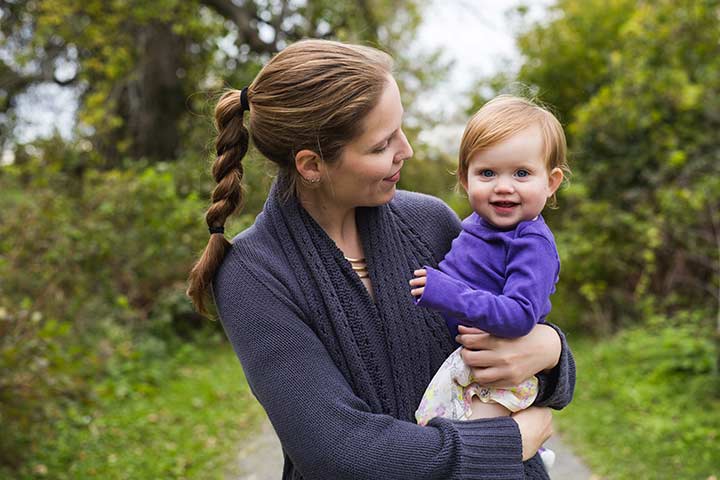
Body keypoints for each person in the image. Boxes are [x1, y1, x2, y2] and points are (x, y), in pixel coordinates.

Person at [187, 39, 575, 479]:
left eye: (401, 129)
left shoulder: (429, 221)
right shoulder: (253, 274)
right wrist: (508, 443)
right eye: (381, 144)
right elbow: (339, 451)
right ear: (312, 165)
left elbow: (502, 333)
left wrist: (553, 350)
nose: (406, 150)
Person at [409, 96, 569, 467]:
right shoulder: (473, 225)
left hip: (498, 377)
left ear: (552, 182)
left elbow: (520, 315)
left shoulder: (531, 243)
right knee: (432, 431)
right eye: (487, 173)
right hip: (468, 364)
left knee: (477, 453)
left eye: (522, 174)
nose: (503, 187)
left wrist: (449, 295)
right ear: (465, 178)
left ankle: (532, 459)